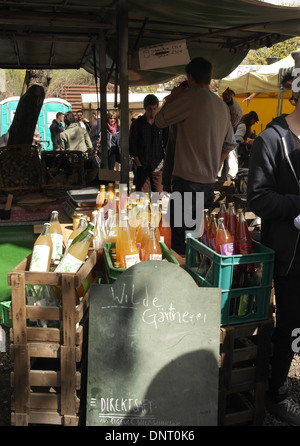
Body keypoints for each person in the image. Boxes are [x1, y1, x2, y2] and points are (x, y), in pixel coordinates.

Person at [247, 49, 300, 425]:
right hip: (290, 253)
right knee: (292, 324)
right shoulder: (272, 139)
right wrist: (297, 207)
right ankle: (277, 391)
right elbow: (258, 197)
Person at [155, 57, 235, 255]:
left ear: (190, 77)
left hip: (186, 182)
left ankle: (182, 280)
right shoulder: (221, 106)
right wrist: (215, 164)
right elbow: (230, 144)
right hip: (208, 183)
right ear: (209, 78)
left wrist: (172, 97)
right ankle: (197, 279)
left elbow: (159, 120)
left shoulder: (189, 98)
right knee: (199, 238)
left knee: (179, 242)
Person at [129, 94, 168, 194]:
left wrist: (164, 161)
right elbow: (132, 144)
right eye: (150, 109)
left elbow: (167, 142)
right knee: (141, 197)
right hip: (142, 165)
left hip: (158, 165)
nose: (152, 112)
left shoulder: (161, 123)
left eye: (155, 109)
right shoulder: (137, 124)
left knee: (157, 196)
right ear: (145, 108)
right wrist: (138, 161)